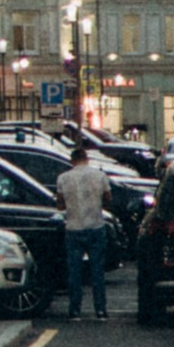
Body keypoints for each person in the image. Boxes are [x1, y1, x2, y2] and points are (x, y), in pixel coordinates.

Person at [55, 136, 110, 321]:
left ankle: (75, 310)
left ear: (72, 160)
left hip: (74, 227)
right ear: (87, 159)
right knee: (97, 271)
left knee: (74, 271)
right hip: (96, 225)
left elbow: (60, 205)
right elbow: (108, 199)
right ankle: (101, 310)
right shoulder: (100, 176)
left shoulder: (63, 178)